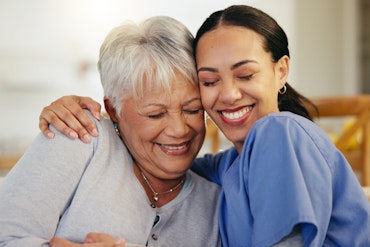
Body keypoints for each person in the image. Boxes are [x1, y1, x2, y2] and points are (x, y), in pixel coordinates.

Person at [39, 5, 370, 247]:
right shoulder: (224, 168)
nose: (228, 94)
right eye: (209, 81)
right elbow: (153, 159)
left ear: (281, 70)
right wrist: (87, 114)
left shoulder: (280, 132)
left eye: (245, 75)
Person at [0, 16, 222, 247]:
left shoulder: (218, 202)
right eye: (155, 114)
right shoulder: (80, 134)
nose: (179, 130)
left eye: (193, 109)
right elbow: (6, 237)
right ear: (113, 110)